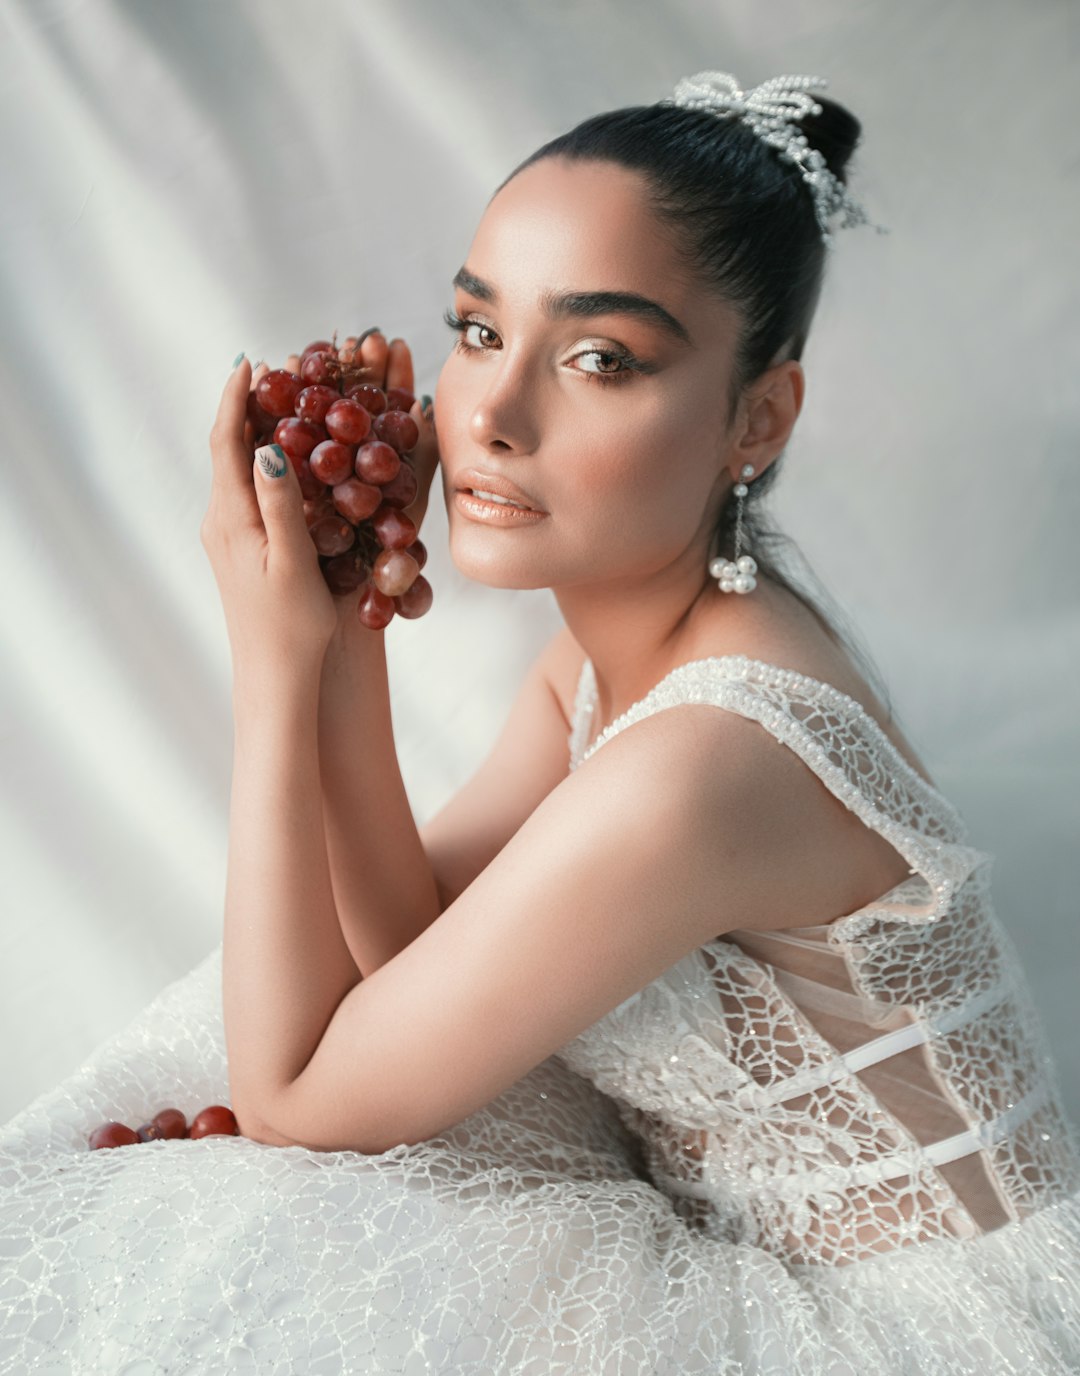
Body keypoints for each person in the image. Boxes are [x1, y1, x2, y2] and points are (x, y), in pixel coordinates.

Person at [2, 69, 1078, 1375]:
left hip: (904, 1336)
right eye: (475, 333)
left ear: (758, 419)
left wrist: (273, 678)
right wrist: (343, 640)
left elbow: (298, 1101)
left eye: (599, 359)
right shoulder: (604, 664)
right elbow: (415, 949)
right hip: (727, 1236)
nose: (492, 420)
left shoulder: (709, 762)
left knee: (264, 1205)